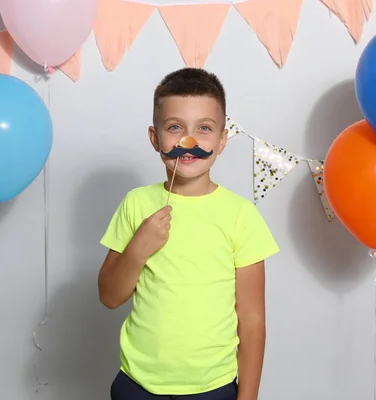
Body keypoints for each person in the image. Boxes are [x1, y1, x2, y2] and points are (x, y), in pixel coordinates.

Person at [98, 67, 279, 400]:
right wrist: (139, 247)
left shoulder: (241, 216)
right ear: (155, 138)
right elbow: (109, 296)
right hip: (137, 384)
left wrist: (248, 397)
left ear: (222, 140)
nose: (188, 142)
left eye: (204, 129)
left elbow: (252, 319)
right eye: (175, 127)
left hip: (212, 389)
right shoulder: (136, 204)